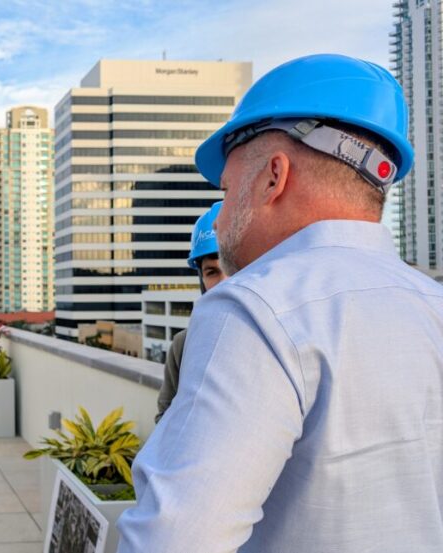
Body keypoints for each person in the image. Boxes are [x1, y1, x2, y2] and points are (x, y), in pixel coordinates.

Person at [117, 54, 443, 552]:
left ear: (274, 176)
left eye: (226, 192)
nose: (220, 220)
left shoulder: (253, 308)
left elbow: (172, 539)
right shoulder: (431, 303)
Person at [154, 201, 226, 423]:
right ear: (202, 280)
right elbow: (165, 420)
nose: (224, 282)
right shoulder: (185, 345)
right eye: (212, 272)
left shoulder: (278, 340)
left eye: (232, 268)